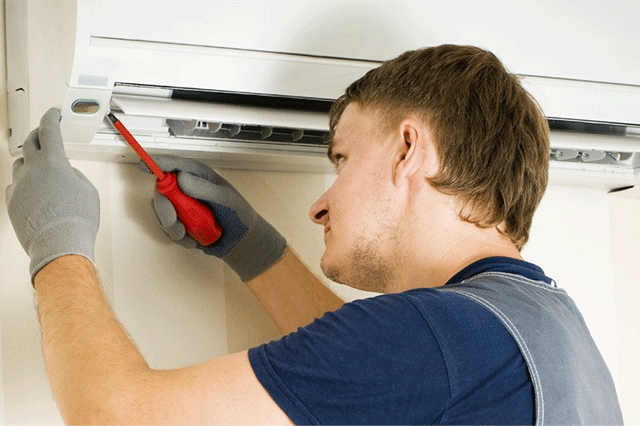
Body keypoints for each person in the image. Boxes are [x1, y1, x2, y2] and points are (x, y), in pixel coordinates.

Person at [5, 44, 622, 425]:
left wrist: (56, 239)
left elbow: (115, 417)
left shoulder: (439, 337)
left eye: (342, 160)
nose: (320, 207)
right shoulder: (551, 329)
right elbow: (378, 375)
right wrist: (254, 251)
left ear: (408, 149)